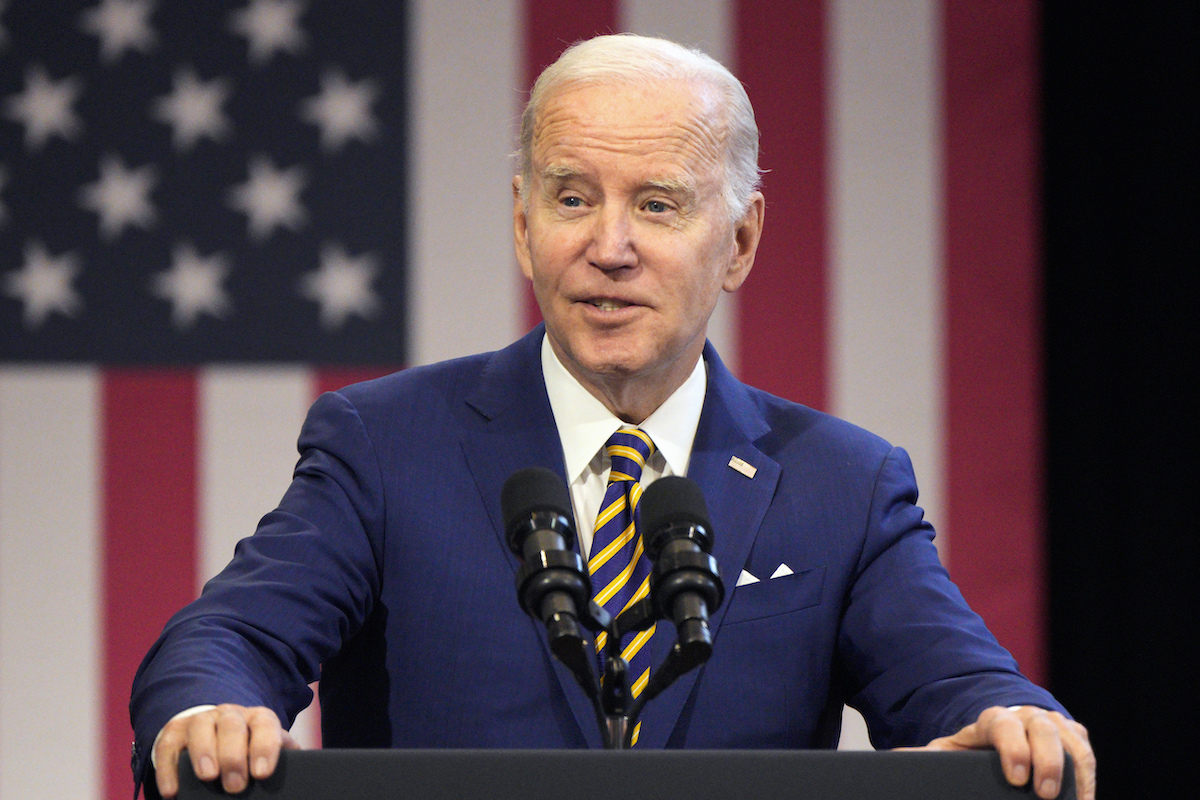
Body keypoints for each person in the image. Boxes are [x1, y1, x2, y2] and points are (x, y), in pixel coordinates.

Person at [131, 33, 1095, 800]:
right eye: (572, 198)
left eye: (659, 204)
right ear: (522, 224)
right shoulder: (386, 445)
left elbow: (956, 685)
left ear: (742, 240)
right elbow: (230, 640)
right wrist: (214, 706)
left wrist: (1012, 717)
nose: (610, 246)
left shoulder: (841, 483)